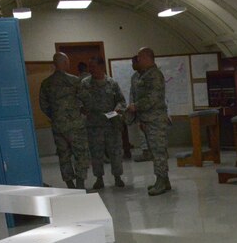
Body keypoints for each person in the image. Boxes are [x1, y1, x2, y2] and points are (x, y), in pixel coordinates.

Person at [38, 52, 89, 189]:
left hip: (58, 127)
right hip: (75, 126)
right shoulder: (74, 81)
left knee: (63, 155)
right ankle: (80, 184)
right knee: (81, 154)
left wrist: (55, 116)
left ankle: (70, 185)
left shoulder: (46, 83)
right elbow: (85, 99)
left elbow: (43, 105)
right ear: (65, 63)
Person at [127, 47, 170, 196]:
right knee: (156, 151)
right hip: (149, 120)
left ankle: (161, 181)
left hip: (156, 120)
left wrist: (136, 106)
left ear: (146, 58)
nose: (138, 61)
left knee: (158, 152)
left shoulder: (154, 75)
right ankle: (164, 180)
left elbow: (153, 98)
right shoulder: (145, 75)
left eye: (139, 58)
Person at [79, 57, 127, 189]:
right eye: (90, 67)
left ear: (101, 67)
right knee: (96, 154)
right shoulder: (85, 84)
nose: (91, 70)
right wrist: (81, 109)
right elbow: (78, 100)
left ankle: (117, 177)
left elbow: (122, 101)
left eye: (93, 67)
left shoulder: (112, 83)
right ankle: (99, 178)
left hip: (111, 124)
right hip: (93, 125)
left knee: (116, 152)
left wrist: (117, 110)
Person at [127, 56, 153, 163]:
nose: (132, 65)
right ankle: (146, 153)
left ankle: (159, 151)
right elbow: (132, 92)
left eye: (133, 63)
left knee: (154, 132)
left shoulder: (150, 75)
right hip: (139, 111)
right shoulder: (134, 77)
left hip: (151, 110)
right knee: (142, 133)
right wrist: (131, 106)